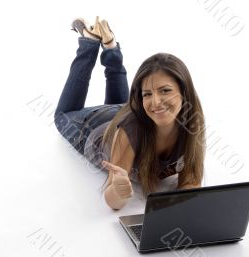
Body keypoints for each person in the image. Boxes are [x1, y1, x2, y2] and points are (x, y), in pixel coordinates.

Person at [54, 17, 206, 210]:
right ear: (140, 97)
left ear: (185, 92)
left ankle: (110, 46)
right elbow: (113, 202)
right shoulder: (130, 131)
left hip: (124, 110)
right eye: (147, 94)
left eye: (165, 90)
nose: (156, 101)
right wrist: (118, 191)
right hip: (92, 124)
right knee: (61, 116)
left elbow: (190, 183)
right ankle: (89, 43)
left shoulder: (192, 123)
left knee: (121, 105)